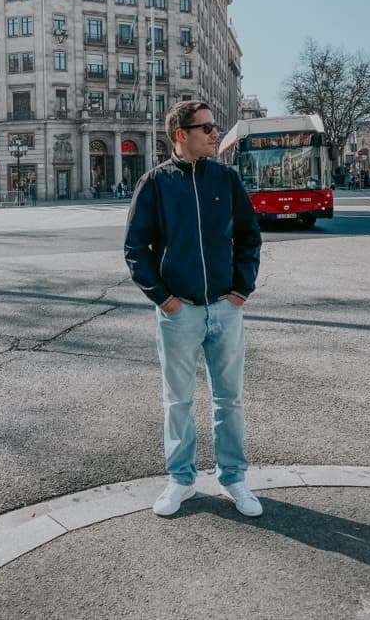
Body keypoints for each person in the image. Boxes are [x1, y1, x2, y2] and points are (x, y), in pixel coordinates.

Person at [124, 100, 263, 519]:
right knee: (177, 401)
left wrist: (240, 290)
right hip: (178, 311)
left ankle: (233, 477)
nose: (214, 133)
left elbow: (248, 236)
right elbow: (135, 248)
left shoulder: (226, 178)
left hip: (225, 307)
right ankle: (180, 479)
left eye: (214, 126)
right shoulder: (155, 184)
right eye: (206, 128)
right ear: (181, 134)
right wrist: (163, 298)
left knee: (229, 400)